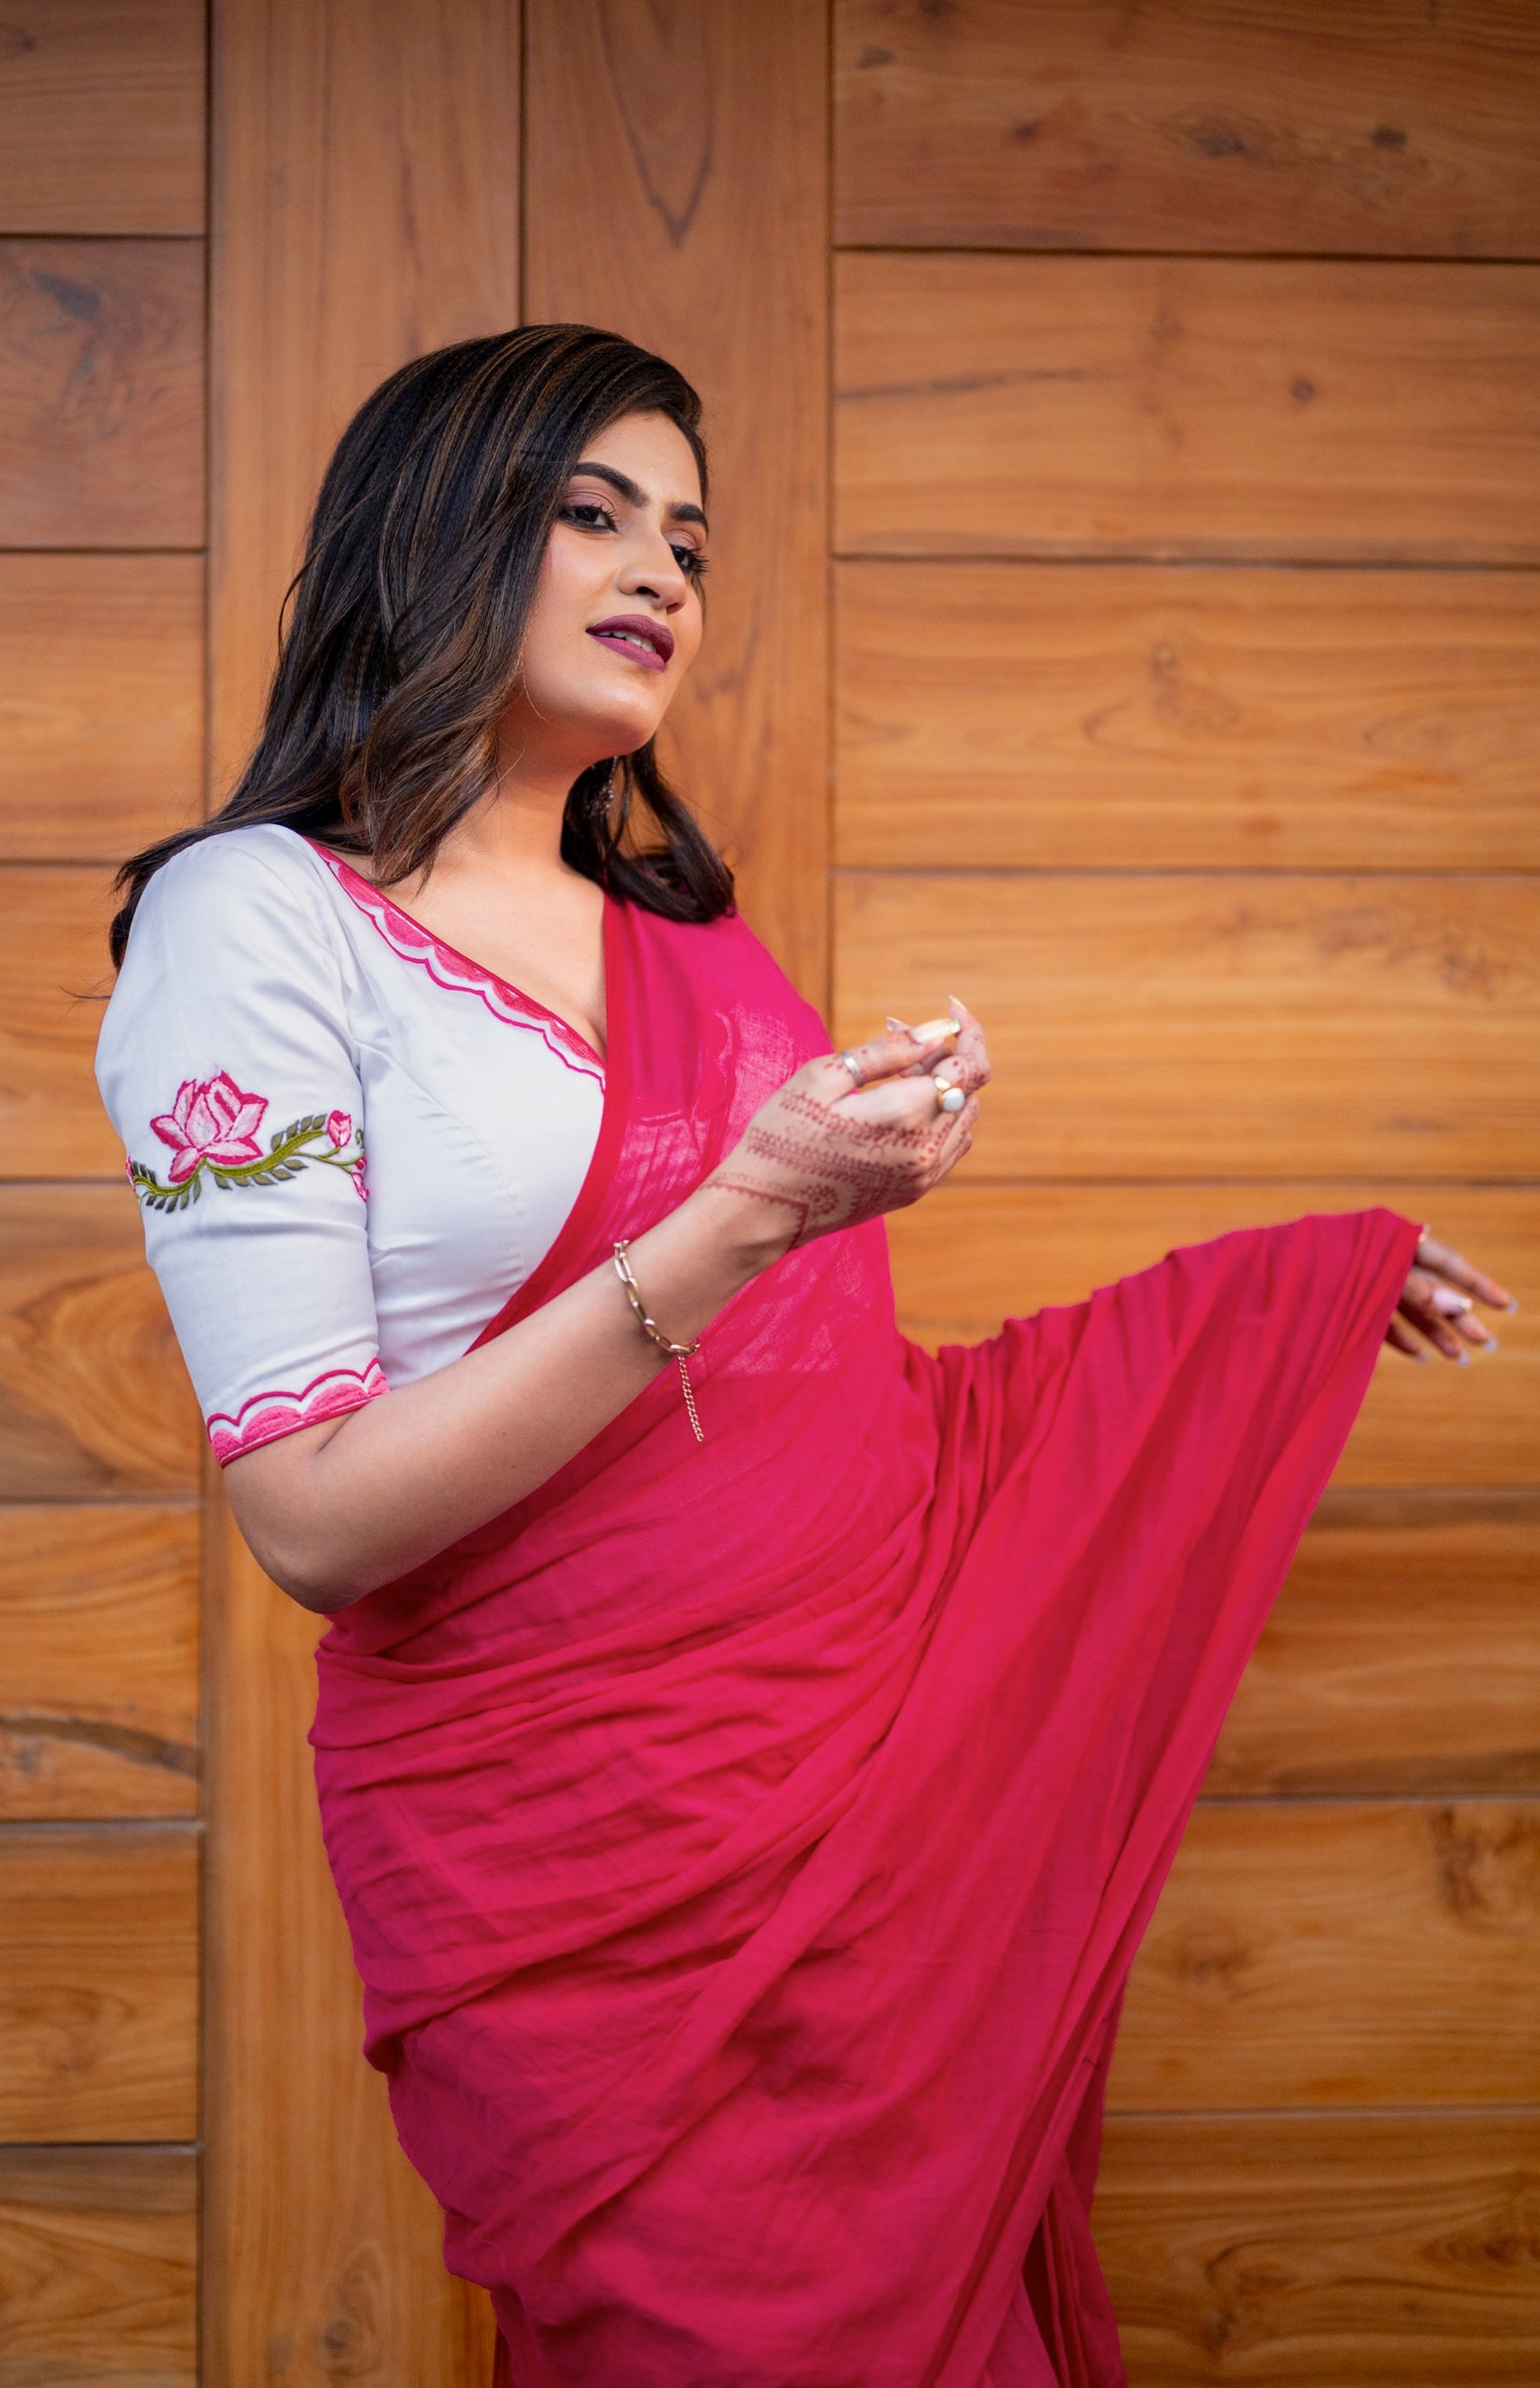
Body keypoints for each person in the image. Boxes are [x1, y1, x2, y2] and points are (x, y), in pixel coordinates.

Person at [96, 324, 1511, 2388]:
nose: (658, 571)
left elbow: (855, 1433)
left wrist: (1262, 1307)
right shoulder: (256, 918)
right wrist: (752, 1204)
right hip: (568, 1858)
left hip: (860, 1822)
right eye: (591, 513)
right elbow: (307, 1518)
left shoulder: (695, 945)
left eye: (687, 538)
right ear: (431, 529)